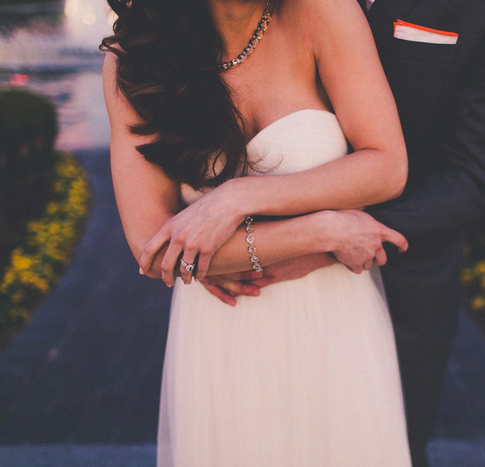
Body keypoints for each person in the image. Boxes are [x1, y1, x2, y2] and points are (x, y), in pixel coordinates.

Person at [206, 0, 485, 465]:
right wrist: (216, 231)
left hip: (399, 286)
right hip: (247, 286)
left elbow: (471, 174)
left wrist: (329, 241)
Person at [102, 0, 415, 464]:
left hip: (334, 324)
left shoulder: (324, 11)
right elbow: (152, 244)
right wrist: (323, 231)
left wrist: (237, 198)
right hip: (221, 333)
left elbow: (387, 166)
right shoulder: (135, 57)